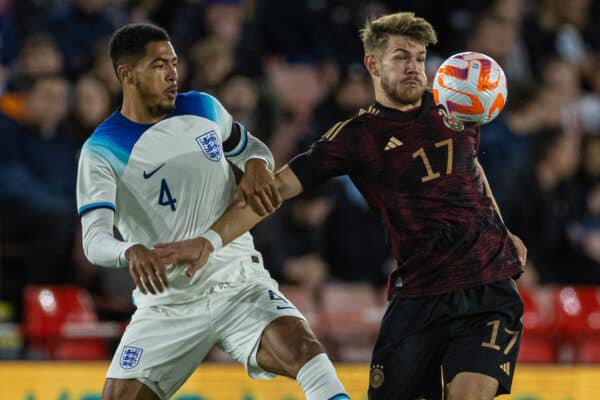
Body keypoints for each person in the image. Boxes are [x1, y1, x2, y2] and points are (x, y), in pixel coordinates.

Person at [156, 12, 528, 400]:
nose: (414, 67)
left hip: (487, 285)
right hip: (418, 296)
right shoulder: (355, 138)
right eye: (401, 57)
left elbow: (472, 169)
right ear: (373, 64)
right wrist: (209, 241)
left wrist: (502, 228)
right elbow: (276, 189)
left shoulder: (454, 106)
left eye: (419, 58)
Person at [76, 23, 349, 400]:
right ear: (127, 74)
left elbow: (252, 147)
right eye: (159, 65)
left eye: (174, 62)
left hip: (237, 280)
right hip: (168, 302)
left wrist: (256, 164)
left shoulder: (203, 107)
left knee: (304, 350)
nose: (173, 73)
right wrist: (129, 251)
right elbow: (94, 239)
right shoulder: (101, 150)